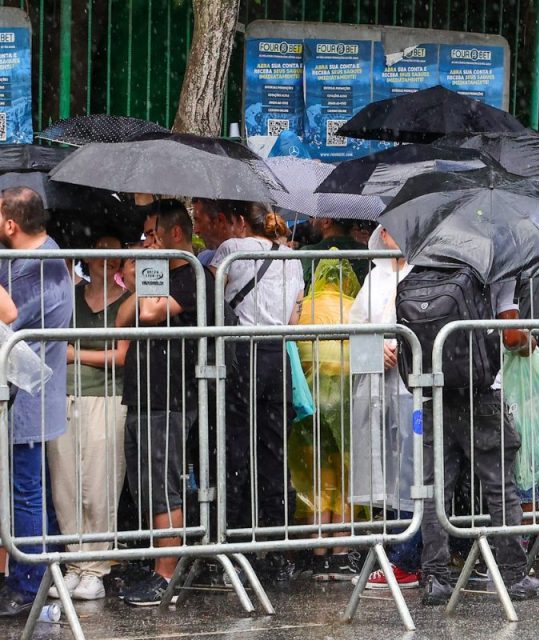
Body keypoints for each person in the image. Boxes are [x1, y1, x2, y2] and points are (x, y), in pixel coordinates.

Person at [413, 261, 539, 606]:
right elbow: (511, 335)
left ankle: (435, 578)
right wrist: (529, 341)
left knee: (434, 490)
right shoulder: (499, 263)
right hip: (482, 393)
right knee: (500, 486)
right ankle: (513, 574)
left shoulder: (426, 262)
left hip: (435, 391)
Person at [116, 200, 210, 606]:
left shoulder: (190, 274)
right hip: (143, 395)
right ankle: (159, 562)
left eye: (153, 233)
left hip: (170, 395)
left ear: (174, 234)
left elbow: (150, 314)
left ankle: (166, 573)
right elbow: (123, 319)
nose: (148, 242)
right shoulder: (158, 277)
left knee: (163, 487)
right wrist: (142, 286)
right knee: (146, 485)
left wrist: (148, 278)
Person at [209, 203, 305, 579]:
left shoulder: (233, 249)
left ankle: (228, 545)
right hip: (277, 355)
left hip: (241, 354)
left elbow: (210, 294)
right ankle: (278, 548)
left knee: (234, 450)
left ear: (240, 222)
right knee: (274, 453)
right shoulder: (292, 259)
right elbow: (294, 316)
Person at [0, 187, 72, 616]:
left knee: (25, 492)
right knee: (32, 491)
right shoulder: (47, 254)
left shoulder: (37, 266)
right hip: (31, 394)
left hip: (27, 397)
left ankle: (31, 587)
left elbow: (8, 315)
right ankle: (44, 577)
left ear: (11, 224)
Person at [49, 235, 129, 601]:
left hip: (109, 396)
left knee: (101, 482)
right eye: (101, 252)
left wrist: (74, 353)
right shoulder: (71, 298)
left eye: (115, 252)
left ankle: (96, 567)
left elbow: (122, 356)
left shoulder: (128, 301)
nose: (107, 259)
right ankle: (74, 563)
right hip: (65, 395)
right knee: (66, 484)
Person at [348, 226, 419, 589]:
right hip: (380, 385)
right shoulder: (376, 276)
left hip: (412, 385)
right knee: (390, 467)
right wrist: (376, 348)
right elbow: (355, 326)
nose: (388, 233)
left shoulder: (423, 270)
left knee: (412, 467)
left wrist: (403, 348)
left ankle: (408, 555)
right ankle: (397, 549)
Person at [300, 217, 369, 286]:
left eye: (312, 217)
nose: (311, 221)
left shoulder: (307, 253)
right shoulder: (367, 252)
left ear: (326, 221)